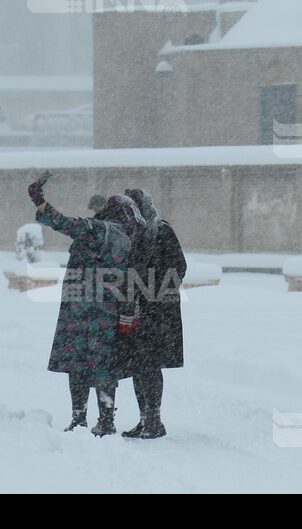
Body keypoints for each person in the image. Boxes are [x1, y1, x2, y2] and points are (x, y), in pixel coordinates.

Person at [28, 176, 145, 437]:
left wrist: (40, 202)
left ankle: (79, 418)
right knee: (103, 364)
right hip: (106, 310)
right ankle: (105, 420)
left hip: (81, 308)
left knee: (77, 362)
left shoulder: (98, 228)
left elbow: (63, 223)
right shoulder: (123, 238)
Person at [117, 188, 187, 440]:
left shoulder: (162, 230)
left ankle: (154, 420)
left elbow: (179, 266)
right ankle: (145, 419)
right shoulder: (128, 232)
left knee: (149, 364)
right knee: (138, 364)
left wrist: (153, 290)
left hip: (159, 311)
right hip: (135, 309)